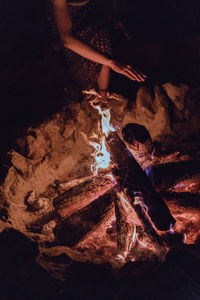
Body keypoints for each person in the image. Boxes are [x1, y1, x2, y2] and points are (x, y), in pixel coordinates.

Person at [47, 0, 146, 99]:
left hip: (90, 16)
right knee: (97, 52)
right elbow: (66, 39)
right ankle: (93, 97)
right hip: (67, 30)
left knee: (101, 36)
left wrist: (117, 15)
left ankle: (103, 98)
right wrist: (110, 62)